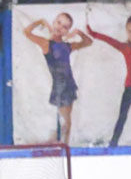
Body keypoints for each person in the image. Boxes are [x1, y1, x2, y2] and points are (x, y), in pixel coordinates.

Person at [23, 13, 92, 143]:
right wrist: (41, 20)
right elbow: (26, 32)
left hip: (69, 84)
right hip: (59, 85)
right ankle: (60, 145)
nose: (60, 28)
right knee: (63, 121)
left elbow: (88, 42)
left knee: (67, 122)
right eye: (59, 23)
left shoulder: (67, 46)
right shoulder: (46, 43)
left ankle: (64, 146)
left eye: (65, 27)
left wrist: (78, 32)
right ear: (54, 22)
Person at [87, 14, 131, 147]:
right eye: (129, 31)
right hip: (129, 88)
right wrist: (92, 33)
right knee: (122, 117)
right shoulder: (125, 47)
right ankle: (113, 144)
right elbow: (109, 40)